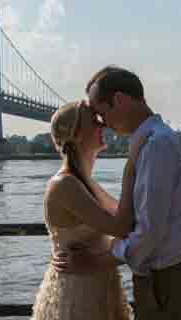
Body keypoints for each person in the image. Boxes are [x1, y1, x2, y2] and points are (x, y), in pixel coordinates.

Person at [54, 66, 181, 320]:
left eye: (101, 112)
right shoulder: (149, 142)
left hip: (168, 280)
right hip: (165, 278)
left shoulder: (155, 145)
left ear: (120, 100)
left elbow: (149, 231)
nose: (102, 122)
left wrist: (97, 262)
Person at [31, 100, 132, 319]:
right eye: (94, 121)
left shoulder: (83, 182)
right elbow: (124, 227)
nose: (103, 125)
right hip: (79, 294)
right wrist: (133, 168)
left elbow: (129, 217)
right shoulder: (65, 185)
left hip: (96, 288)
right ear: (76, 135)